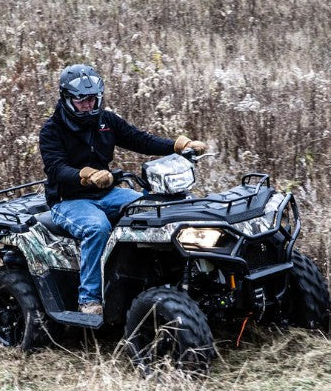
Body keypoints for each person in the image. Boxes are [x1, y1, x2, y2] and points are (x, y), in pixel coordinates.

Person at [39, 63, 207, 317]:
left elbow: (140, 139)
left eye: (93, 99)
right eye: (81, 100)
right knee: (97, 228)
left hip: (107, 193)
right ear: (66, 98)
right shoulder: (52, 130)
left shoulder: (106, 121)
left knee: (153, 210)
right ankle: (89, 300)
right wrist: (87, 176)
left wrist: (177, 145)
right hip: (69, 200)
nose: (87, 105)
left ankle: (162, 278)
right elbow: (56, 168)